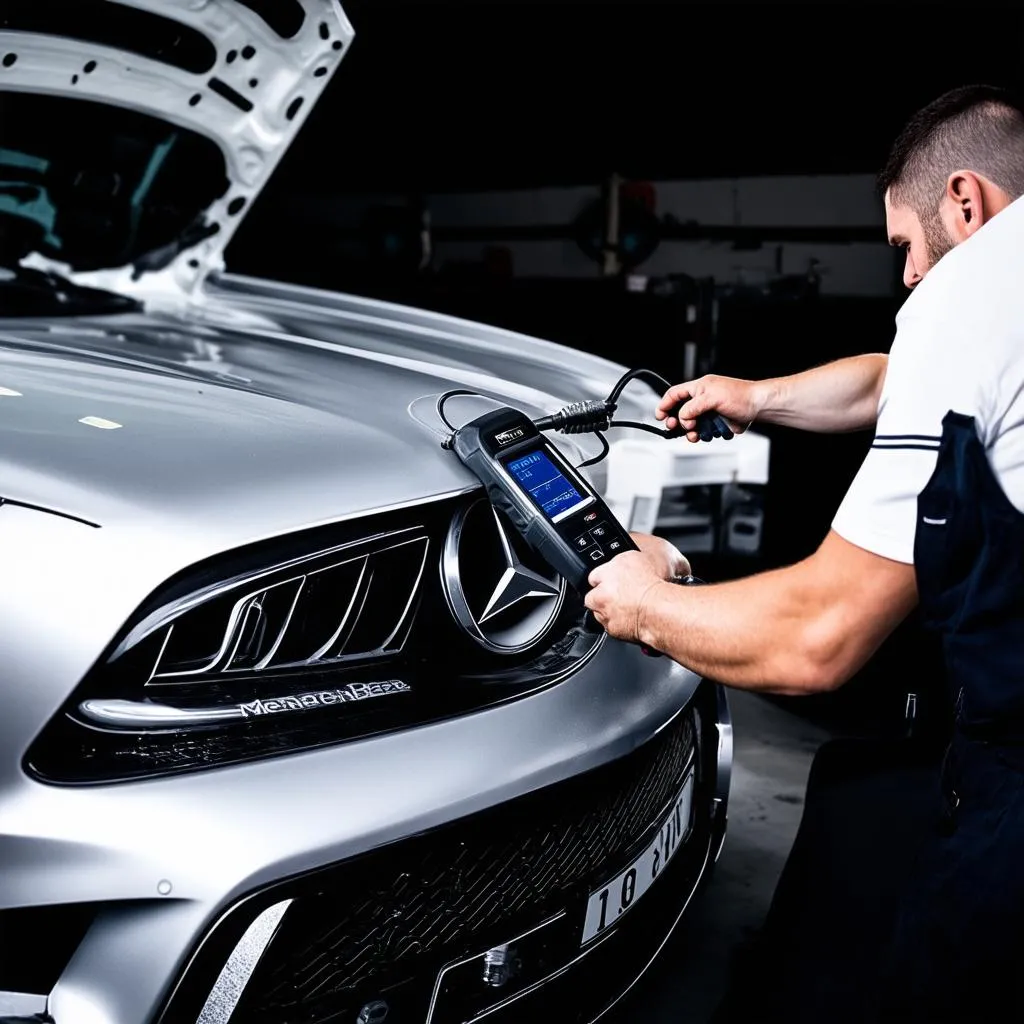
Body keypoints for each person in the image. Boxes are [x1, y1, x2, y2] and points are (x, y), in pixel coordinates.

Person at [586, 83, 1024, 1022]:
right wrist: (755, 394)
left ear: (964, 202)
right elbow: (894, 377)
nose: (909, 279)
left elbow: (817, 637)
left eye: (904, 247)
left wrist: (642, 600)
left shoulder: (976, 284)